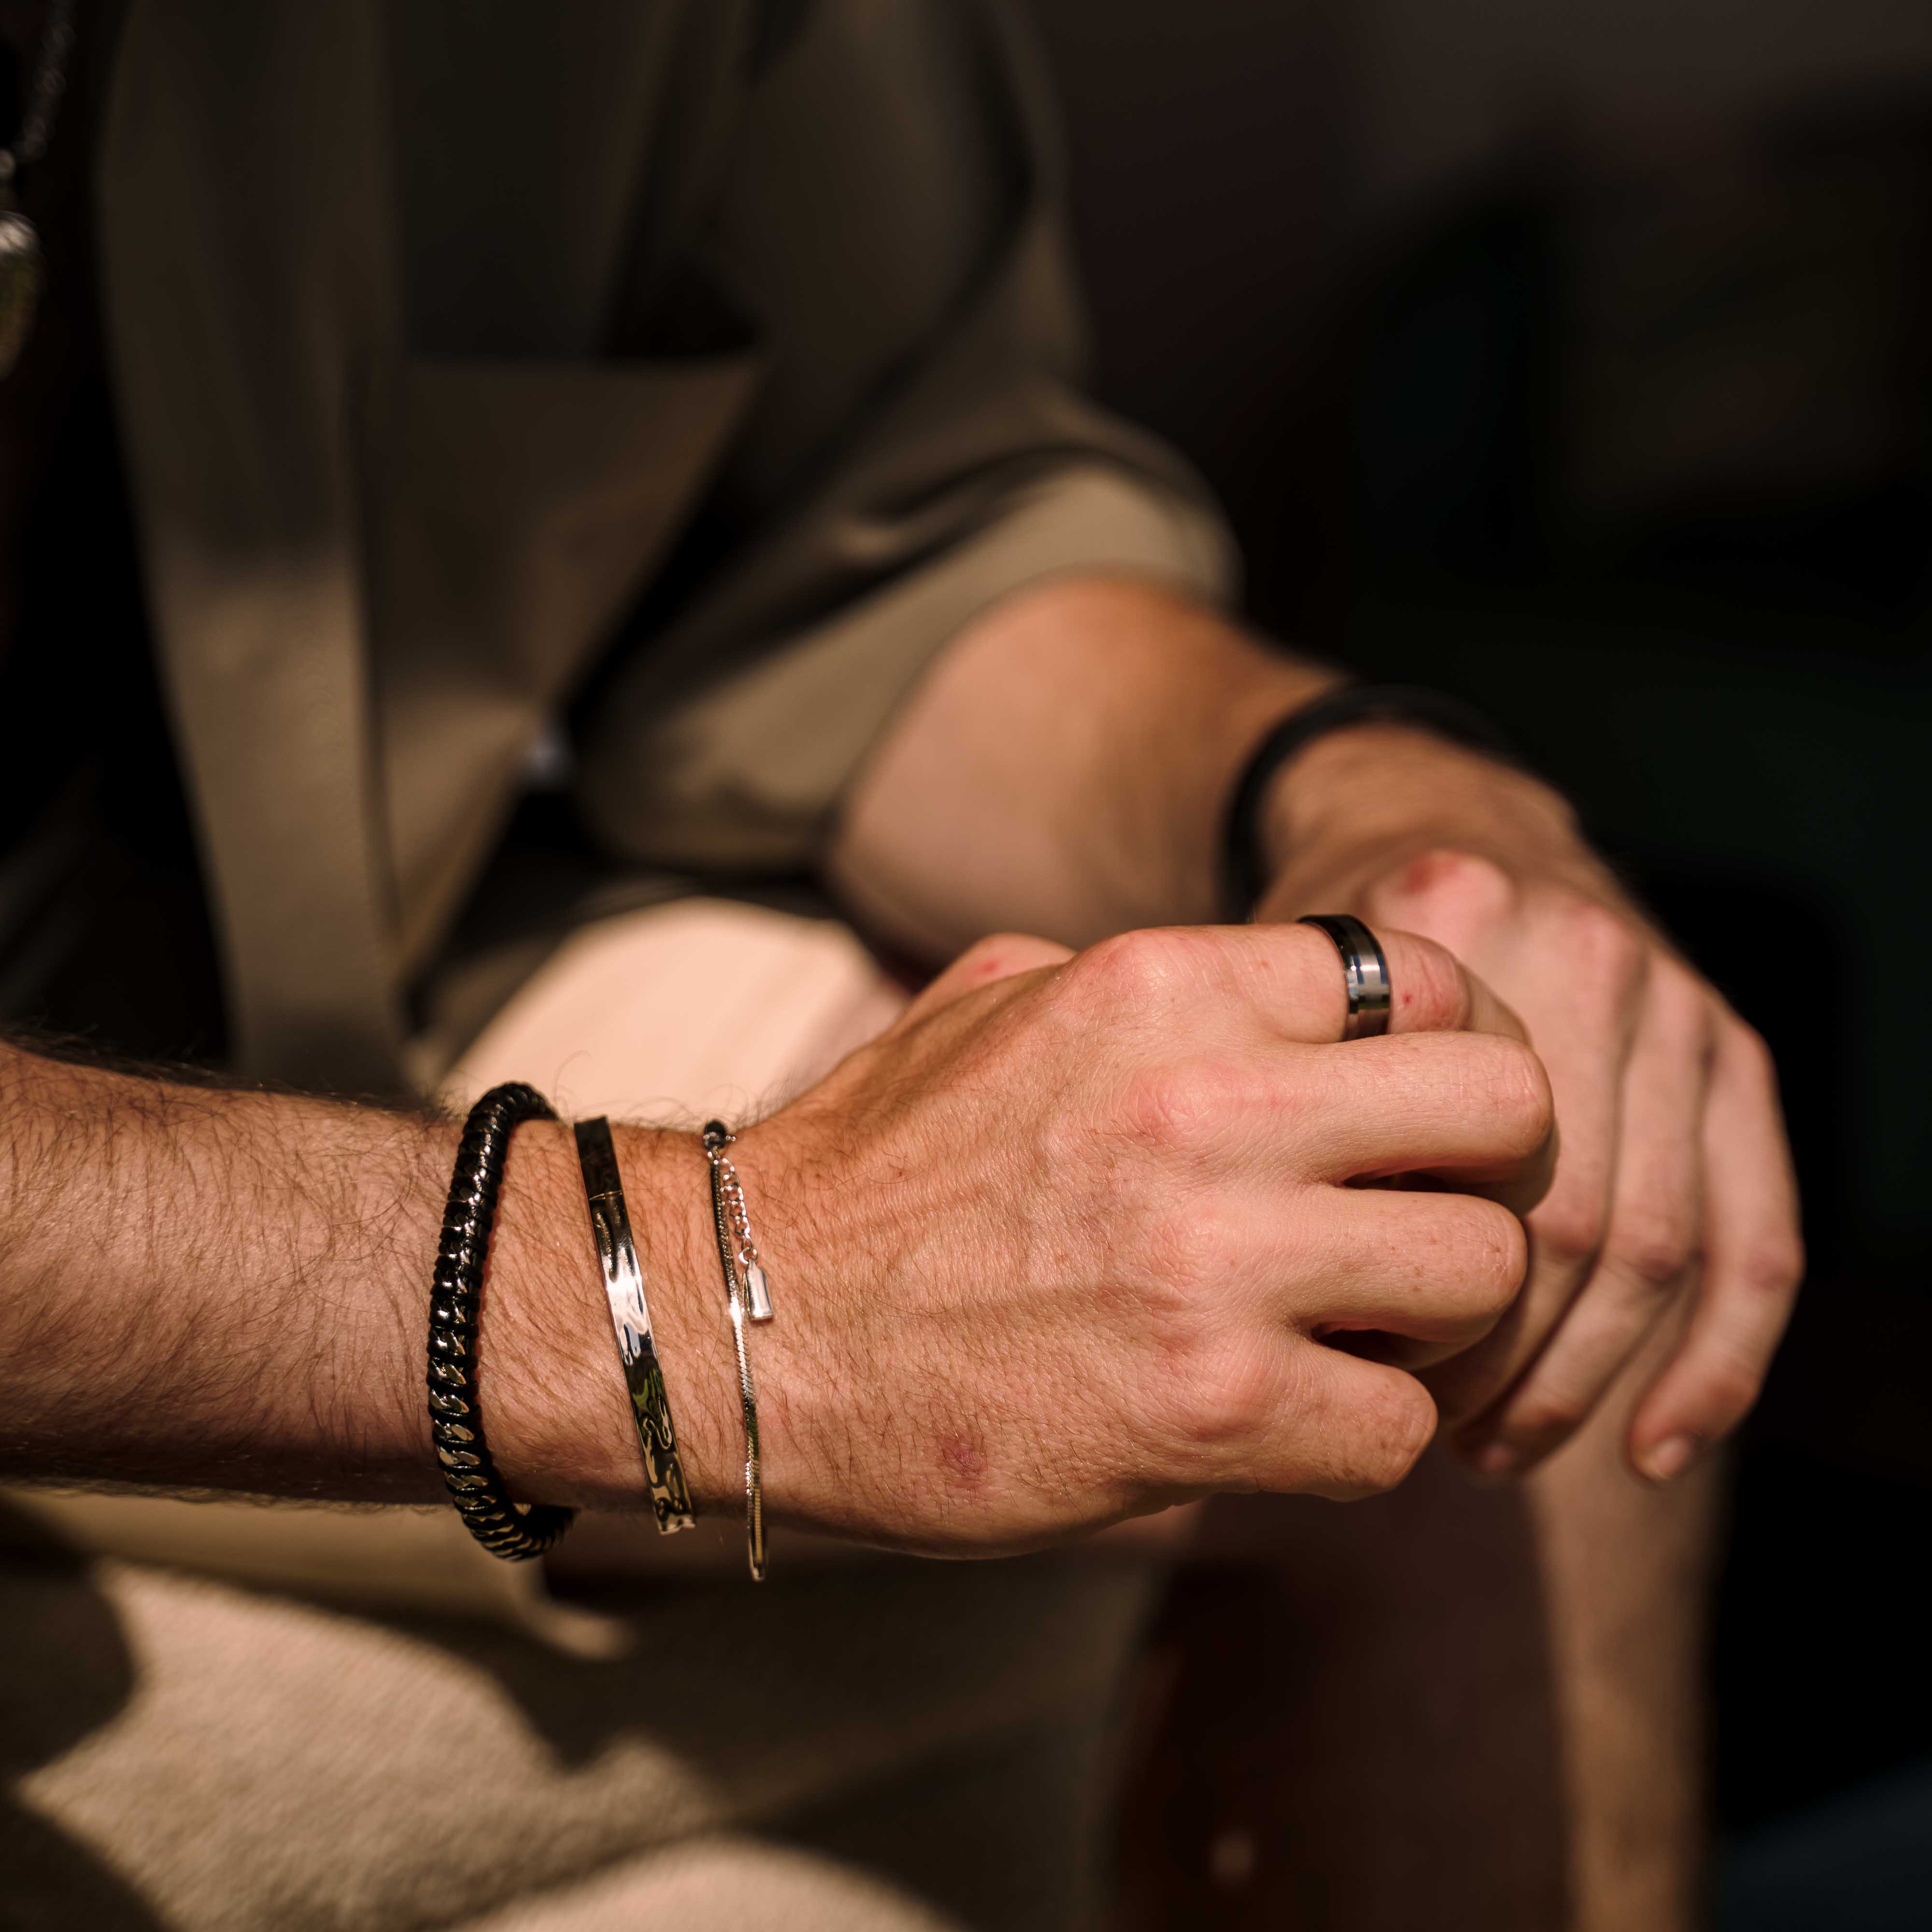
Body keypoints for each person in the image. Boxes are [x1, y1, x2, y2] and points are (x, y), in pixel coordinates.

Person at [0, 3, 1800, 1928]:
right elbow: (710, 1284)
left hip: (337, 978)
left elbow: (890, 547)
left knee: (1478, 1237)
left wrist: (1375, 794)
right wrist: (711, 1288)